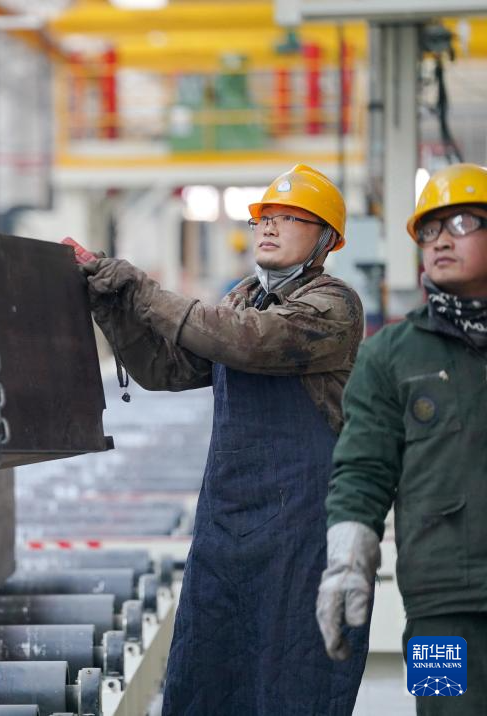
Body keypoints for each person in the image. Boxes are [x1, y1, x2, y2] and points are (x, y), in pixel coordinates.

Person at [81, 164, 368, 714]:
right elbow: (166, 369)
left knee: (295, 678)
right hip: (228, 528)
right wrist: (112, 310)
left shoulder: (333, 307)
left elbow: (248, 344)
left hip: (303, 536)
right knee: (207, 674)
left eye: (290, 219)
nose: (269, 227)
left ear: (326, 240)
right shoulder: (242, 299)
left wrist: (144, 291)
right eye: (265, 217)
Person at [318, 163, 487, 715]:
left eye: (461, 222)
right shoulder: (389, 355)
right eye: (429, 230)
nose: (440, 239)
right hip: (437, 602)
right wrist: (347, 563)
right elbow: (363, 469)